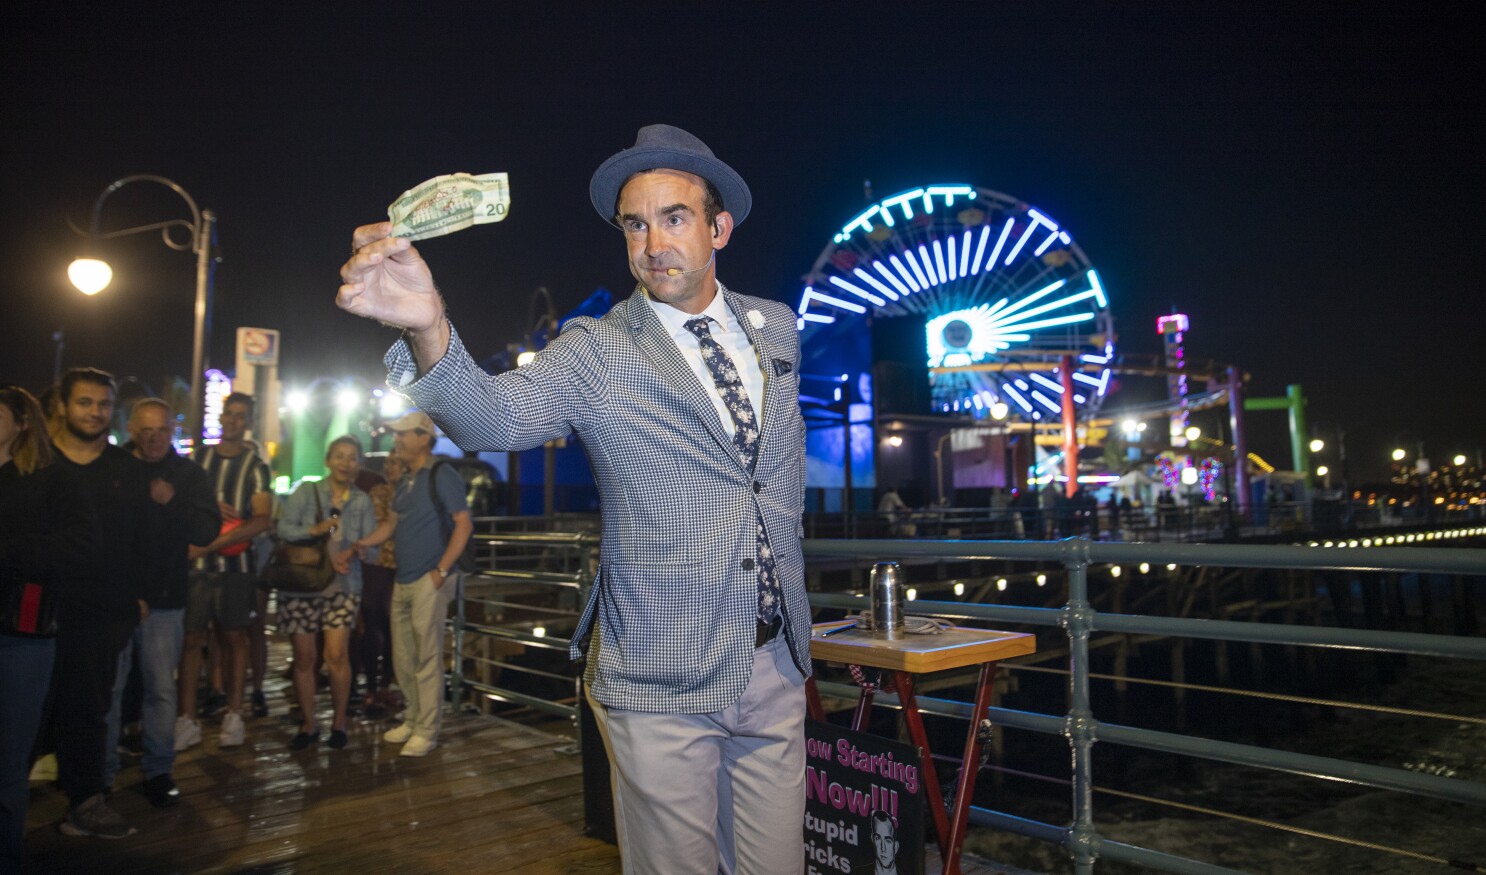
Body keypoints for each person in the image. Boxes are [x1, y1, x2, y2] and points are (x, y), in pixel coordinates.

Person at [337, 123, 812, 874]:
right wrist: (430, 328)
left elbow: (767, 478)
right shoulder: (596, 348)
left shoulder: (776, 326)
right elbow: (492, 417)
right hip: (661, 671)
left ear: (719, 227)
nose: (653, 242)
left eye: (675, 217)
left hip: (775, 666)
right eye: (635, 224)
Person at [46, 368, 150, 838]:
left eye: (103, 404)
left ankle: (87, 801)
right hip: (35, 608)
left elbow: (141, 541)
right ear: (63, 406)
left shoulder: (125, 471)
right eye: (84, 402)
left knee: (90, 710)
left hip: (103, 613)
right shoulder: (37, 464)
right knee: (27, 707)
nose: (94, 412)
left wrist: (140, 598)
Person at [102, 399, 219, 807]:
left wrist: (173, 501)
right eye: (146, 430)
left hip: (165, 600)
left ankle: (158, 770)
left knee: (160, 690)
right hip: (115, 599)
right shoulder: (114, 468)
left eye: (162, 430)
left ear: (173, 430)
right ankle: (101, 776)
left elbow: (206, 530)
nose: (154, 438)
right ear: (133, 428)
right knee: (109, 691)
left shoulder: (186, 476)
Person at [1, 385, 95, 869]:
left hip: (20, 634)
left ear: (19, 422)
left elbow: (78, 546)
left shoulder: (49, 480)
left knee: (8, 762)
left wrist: (9, 548)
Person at [348, 414, 472, 757]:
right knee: (403, 655)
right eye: (397, 434)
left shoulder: (441, 474)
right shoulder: (405, 480)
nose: (397, 440)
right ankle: (413, 718)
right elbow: (391, 524)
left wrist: (441, 571)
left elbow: (463, 524)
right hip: (403, 579)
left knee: (426, 655)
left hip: (427, 579)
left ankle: (428, 729)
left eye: (403, 434)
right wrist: (363, 543)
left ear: (423, 437)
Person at [180, 392, 273, 750]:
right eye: (229, 414)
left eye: (241, 416)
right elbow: (181, 506)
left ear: (249, 422)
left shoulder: (255, 466)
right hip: (198, 567)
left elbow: (262, 520)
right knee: (191, 640)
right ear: (221, 418)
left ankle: (234, 712)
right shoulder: (197, 460)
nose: (233, 421)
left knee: (235, 639)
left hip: (236, 566)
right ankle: (186, 718)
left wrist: (211, 543)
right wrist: (208, 510)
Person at [276, 436, 375, 750]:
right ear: (328, 460)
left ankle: (339, 723)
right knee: (305, 658)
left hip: (343, 586)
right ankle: (309, 724)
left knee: (336, 655)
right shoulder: (307, 492)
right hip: (302, 583)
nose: (346, 463)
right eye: (340, 456)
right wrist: (314, 530)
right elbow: (282, 528)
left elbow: (372, 550)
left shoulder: (362, 501)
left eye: (352, 457)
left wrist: (359, 550)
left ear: (359, 463)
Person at [359, 453, 403, 716]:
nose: (390, 468)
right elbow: (377, 525)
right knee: (372, 625)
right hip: (377, 565)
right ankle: (372, 687)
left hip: (402, 566)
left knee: (392, 628)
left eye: (396, 463)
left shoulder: (412, 492)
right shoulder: (379, 491)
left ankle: (385, 684)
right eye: (388, 464)